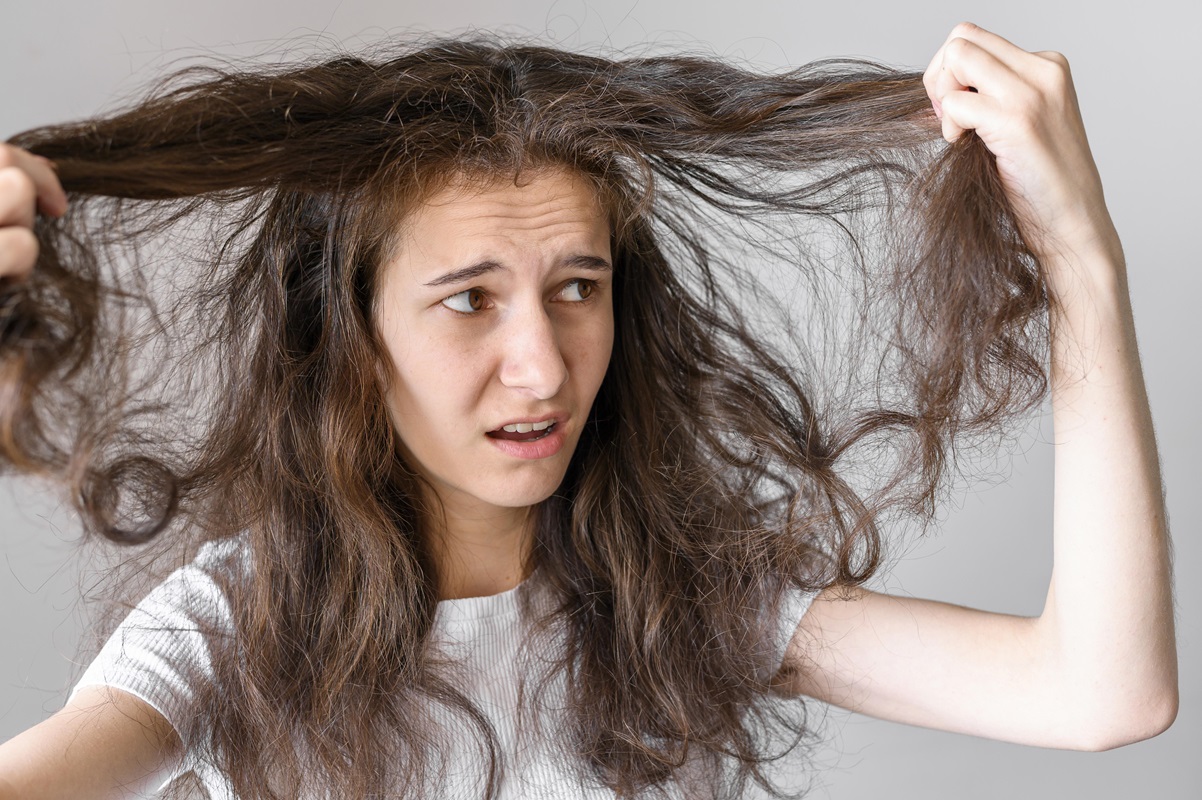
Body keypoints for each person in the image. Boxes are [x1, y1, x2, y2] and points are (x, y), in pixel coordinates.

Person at [0, 21, 1177, 800]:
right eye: (468, 301)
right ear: (349, 345)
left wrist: (1078, 258)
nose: (544, 367)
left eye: (577, 288)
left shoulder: (680, 600)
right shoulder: (224, 634)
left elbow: (1097, 691)